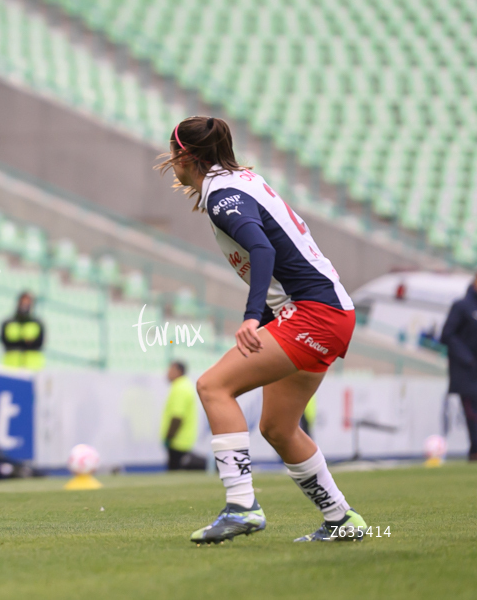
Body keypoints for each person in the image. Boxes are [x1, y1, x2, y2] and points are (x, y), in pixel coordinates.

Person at [157, 116, 366, 544]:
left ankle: (241, 506)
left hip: (313, 313)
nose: (171, 161)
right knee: (277, 427)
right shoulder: (240, 180)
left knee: (213, 387)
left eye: (174, 152)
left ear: (187, 156)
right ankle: (342, 520)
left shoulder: (223, 195)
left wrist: (253, 316)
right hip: (326, 310)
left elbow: (262, 248)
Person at [440, 273, 477, 461]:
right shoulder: (462, 306)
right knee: (473, 414)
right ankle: (475, 452)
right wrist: (468, 358)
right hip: (467, 373)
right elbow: (446, 335)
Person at [160, 361, 205, 471]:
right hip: (182, 440)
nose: (167, 373)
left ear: (178, 371)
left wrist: (169, 437)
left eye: (170, 370)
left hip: (178, 441)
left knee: (175, 473)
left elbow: (177, 417)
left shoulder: (180, 388)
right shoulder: (184, 385)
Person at [0, 291, 45, 370]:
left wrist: (18, 342)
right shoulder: (8, 322)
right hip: (11, 366)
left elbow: (38, 344)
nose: (25, 304)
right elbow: (5, 342)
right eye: (23, 301)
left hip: (32, 368)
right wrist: (26, 342)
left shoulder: (37, 324)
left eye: (28, 302)